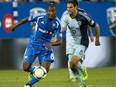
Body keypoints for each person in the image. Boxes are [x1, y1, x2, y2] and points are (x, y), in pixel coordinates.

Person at [9, 2, 62, 87]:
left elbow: (60, 42)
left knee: (44, 71)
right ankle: (35, 70)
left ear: (56, 11)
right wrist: (15, 25)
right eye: (49, 11)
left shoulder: (58, 23)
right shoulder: (40, 16)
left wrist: (51, 43)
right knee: (26, 68)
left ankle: (28, 85)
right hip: (33, 44)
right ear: (46, 11)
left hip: (46, 48)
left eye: (53, 11)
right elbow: (26, 19)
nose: (51, 13)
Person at [61, 0, 100, 87]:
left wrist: (96, 38)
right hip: (71, 40)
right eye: (67, 7)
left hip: (82, 42)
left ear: (76, 7)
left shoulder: (83, 15)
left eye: (71, 7)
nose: (69, 9)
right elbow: (62, 27)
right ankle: (81, 83)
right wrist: (60, 32)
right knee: (71, 64)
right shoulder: (65, 16)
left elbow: (96, 26)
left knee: (73, 61)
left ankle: (83, 70)